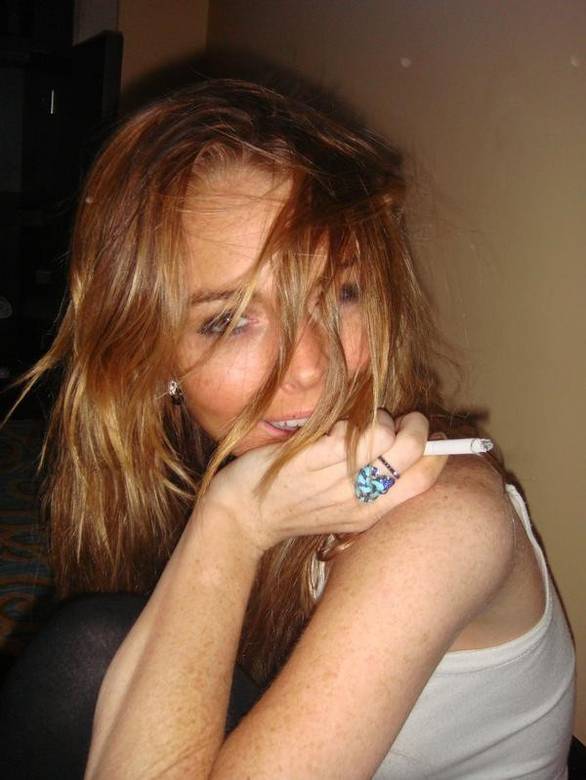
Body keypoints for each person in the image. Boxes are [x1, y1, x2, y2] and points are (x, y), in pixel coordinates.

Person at [0, 79, 575, 779]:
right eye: (230, 319)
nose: (309, 368)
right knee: (95, 655)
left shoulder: (443, 523)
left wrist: (232, 523)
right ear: (149, 357)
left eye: (341, 294)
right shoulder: (197, 469)